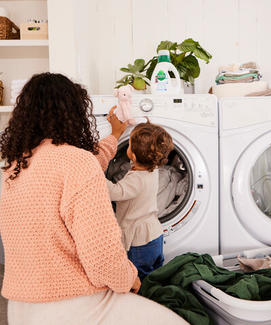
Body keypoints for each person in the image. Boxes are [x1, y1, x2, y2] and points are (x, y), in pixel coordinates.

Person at [0, 72, 188, 325]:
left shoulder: (14, 166)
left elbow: (85, 166)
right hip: (72, 306)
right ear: (75, 114)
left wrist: (114, 136)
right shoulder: (76, 163)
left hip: (20, 308)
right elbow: (102, 257)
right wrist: (128, 276)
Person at [107, 121, 173, 281]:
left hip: (139, 242)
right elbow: (138, 164)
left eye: (128, 144)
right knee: (154, 278)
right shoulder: (153, 169)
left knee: (138, 279)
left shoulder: (136, 180)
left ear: (134, 156)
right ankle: (156, 298)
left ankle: (143, 302)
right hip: (155, 236)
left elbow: (114, 192)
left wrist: (95, 174)